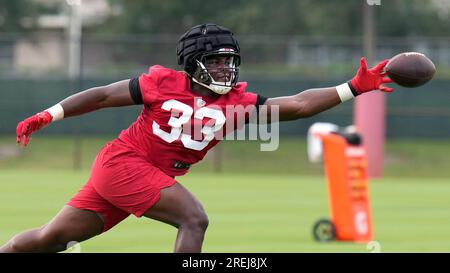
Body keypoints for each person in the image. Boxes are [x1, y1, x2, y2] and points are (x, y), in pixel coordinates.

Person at [0, 23, 393, 253]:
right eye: (217, 61)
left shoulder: (239, 101)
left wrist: (353, 87)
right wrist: (48, 114)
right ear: (193, 65)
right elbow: (102, 96)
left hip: (141, 176)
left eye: (230, 61)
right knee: (194, 218)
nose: (226, 69)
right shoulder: (161, 83)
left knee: (47, 241)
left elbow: (300, 105)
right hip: (124, 164)